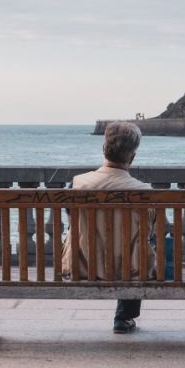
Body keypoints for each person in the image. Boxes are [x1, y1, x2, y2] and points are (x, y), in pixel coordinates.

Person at [61, 121, 155, 334]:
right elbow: (151, 230)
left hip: (81, 266)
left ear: (104, 149)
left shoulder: (77, 185)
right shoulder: (144, 191)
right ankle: (123, 317)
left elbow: (70, 219)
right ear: (132, 156)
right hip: (130, 270)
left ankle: (123, 316)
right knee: (138, 248)